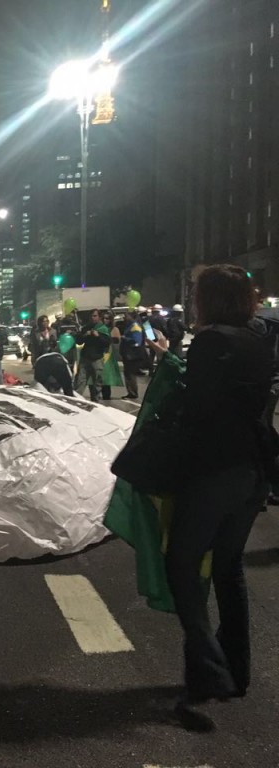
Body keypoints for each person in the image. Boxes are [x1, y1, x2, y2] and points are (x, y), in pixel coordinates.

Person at [149, 265, 275, 732]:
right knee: (228, 567)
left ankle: (210, 669)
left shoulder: (210, 341)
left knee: (181, 563)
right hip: (253, 472)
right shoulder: (258, 341)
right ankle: (237, 670)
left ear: (210, 299)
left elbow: (198, 412)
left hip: (215, 470)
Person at [75, 309, 111, 401]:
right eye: (91, 316)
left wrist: (98, 336)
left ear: (99, 317)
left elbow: (107, 343)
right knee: (80, 381)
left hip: (97, 358)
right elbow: (79, 342)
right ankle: (76, 400)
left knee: (97, 383)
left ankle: (96, 402)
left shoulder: (103, 328)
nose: (93, 318)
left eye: (95, 316)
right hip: (85, 357)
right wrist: (84, 335)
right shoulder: (86, 327)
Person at [119, 310, 144, 400]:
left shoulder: (135, 326)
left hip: (132, 354)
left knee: (130, 374)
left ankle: (133, 393)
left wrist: (125, 338)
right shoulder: (129, 325)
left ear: (131, 316)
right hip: (128, 353)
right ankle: (130, 392)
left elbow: (137, 341)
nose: (124, 317)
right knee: (128, 374)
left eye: (126, 315)